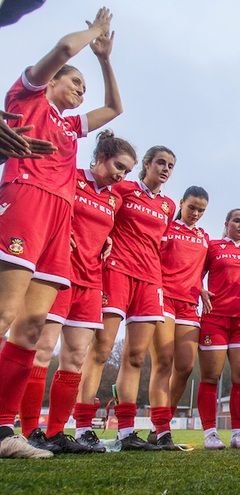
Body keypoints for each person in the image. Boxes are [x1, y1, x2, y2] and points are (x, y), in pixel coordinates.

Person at [0, 7, 122, 459]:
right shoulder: (27, 94)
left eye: (83, 87)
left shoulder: (71, 127)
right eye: (76, 83)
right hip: (25, 200)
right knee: (4, 314)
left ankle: (4, 431)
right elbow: (64, 50)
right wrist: (93, 33)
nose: (81, 91)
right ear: (52, 81)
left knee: (30, 329)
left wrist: (106, 60)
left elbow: (114, 108)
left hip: (58, 216)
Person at [17, 131, 134, 454]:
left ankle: (56, 433)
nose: (121, 175)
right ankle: (29, 431)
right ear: (99, 157)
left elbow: (115, 230)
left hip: (92, 280)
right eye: (118, 166)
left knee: (76, 357)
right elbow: (46, 205)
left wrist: (107, 239)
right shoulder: (70, 179)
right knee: (42, 350)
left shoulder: (115, 198)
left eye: (126, 171)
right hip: (59, 274)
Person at [74, 146, 176, 452]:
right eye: (160, 162)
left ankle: (126, 431)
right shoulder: (124, 188)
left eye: (171, 165)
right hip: (117, 271)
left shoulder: (168, 206)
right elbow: (101, 211)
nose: (166, 168)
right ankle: (82, 429)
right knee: (101, 349)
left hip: (150, 280)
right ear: (146, 164)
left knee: (135, 357)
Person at [146, 186, 209, 449]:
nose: (195, 213)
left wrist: (201, 287)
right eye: (192, 207)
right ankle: (162, 430)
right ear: (181, 203)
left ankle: (159, 425)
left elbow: (198, 270)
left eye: (201, 210)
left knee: (183, 368)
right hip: (163, 298)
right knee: (163, 362)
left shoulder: (204, 237)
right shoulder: (167, 228)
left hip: (188, 305)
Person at [196, 209, 240, 450]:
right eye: (237, 220)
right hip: (215, 319)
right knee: (211, 376)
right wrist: (199, 289)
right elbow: (196, 274)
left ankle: (238, 433)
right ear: (226, 223)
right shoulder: (213, 246)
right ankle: (210, 433)